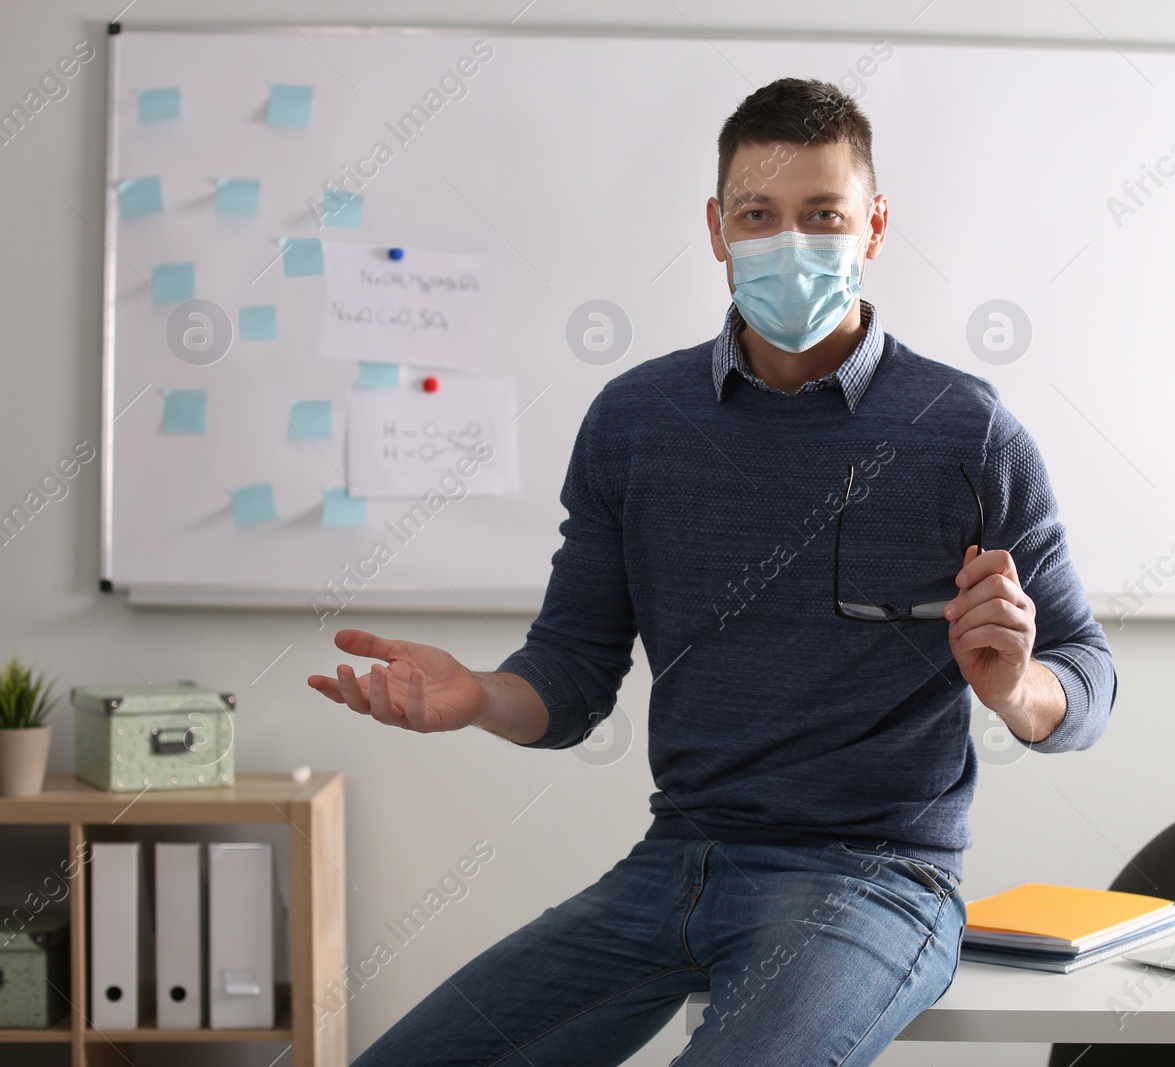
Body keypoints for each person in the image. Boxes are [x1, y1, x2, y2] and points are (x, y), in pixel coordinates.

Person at [309, 75, 1117, 1066]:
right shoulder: (635, 423)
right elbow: (568, 676)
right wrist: (476, 693)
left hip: (875, 879)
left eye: (822, 216)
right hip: (671, 864)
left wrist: (1019, 688)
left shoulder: (965, 430)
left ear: (872, 228)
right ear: (715, 228)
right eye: (757, 215)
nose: (789, 243)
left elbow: (1086, 670)